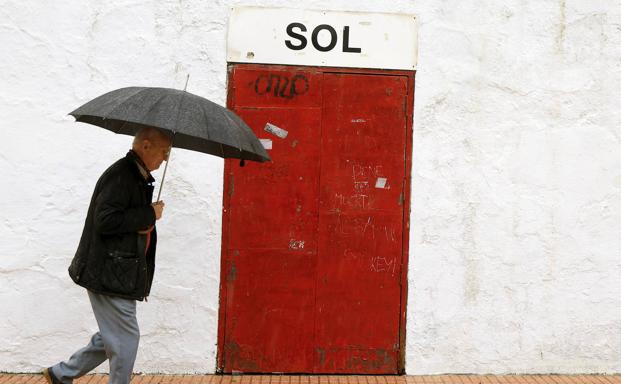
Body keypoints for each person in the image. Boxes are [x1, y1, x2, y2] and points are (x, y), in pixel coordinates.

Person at [43, 126, 172, 384]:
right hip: (109, 272)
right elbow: (106, 221)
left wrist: (146, 215)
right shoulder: (122, 175)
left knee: (112, 334)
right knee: (126, 337)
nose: (166, 158)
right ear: (145, 146)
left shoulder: (136, 175)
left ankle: (61, 374)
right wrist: (149, 213)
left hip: (117, 272)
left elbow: (122, 221)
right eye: (164, 151)